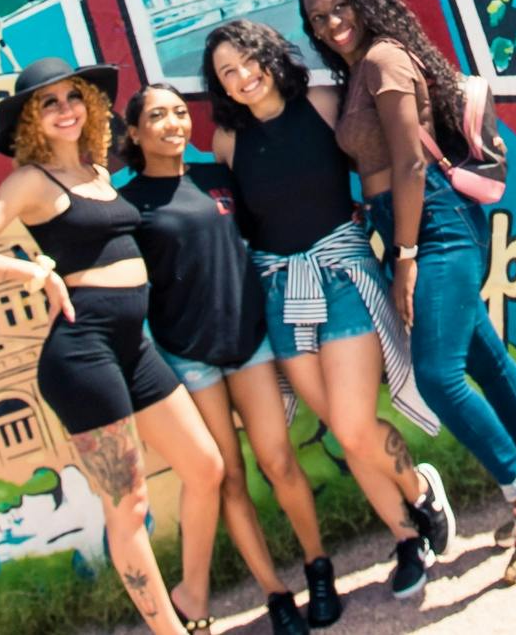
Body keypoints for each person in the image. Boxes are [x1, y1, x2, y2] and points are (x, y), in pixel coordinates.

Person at [300, 0, 516, 587]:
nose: (330, 24)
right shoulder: (358, 71)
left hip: (432, 223)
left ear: (363, 2)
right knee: (482, 353)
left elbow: (408, 163)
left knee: (438, 373)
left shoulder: (381, 60)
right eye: (318, 19)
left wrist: (404, 258)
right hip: (405, 222)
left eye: (338, 9)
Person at [0, 58, 225, 635]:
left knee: (206, 467)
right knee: (129, 504)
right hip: (82, 353)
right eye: (50, 103)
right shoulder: (31, 181)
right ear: (30, 122)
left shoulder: (95, 169)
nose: (66, 109)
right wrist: (34, 273)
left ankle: (191, 597)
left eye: (73, 98)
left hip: (131, 347)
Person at [204, 18, 455, 603]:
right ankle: (405, 537)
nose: (242, 77)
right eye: (226, 73)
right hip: (282, 291)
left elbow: (376, 160)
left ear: (269, 55)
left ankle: (421, 489)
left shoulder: (321, 101)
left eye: (247, 60)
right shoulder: (227, 142)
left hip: (343, 273)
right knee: (347, 435)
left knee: (352, 423)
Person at [115, 83, 328, 634]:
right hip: (189, 358)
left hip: (250, 342)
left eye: (180, 112)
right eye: (156, 116)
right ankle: (276, 595)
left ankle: (318, 567)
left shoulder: (216, 178)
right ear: (135, 133)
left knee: (278, 461)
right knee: (227, 477)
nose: (173, 123)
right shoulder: (128, 206)